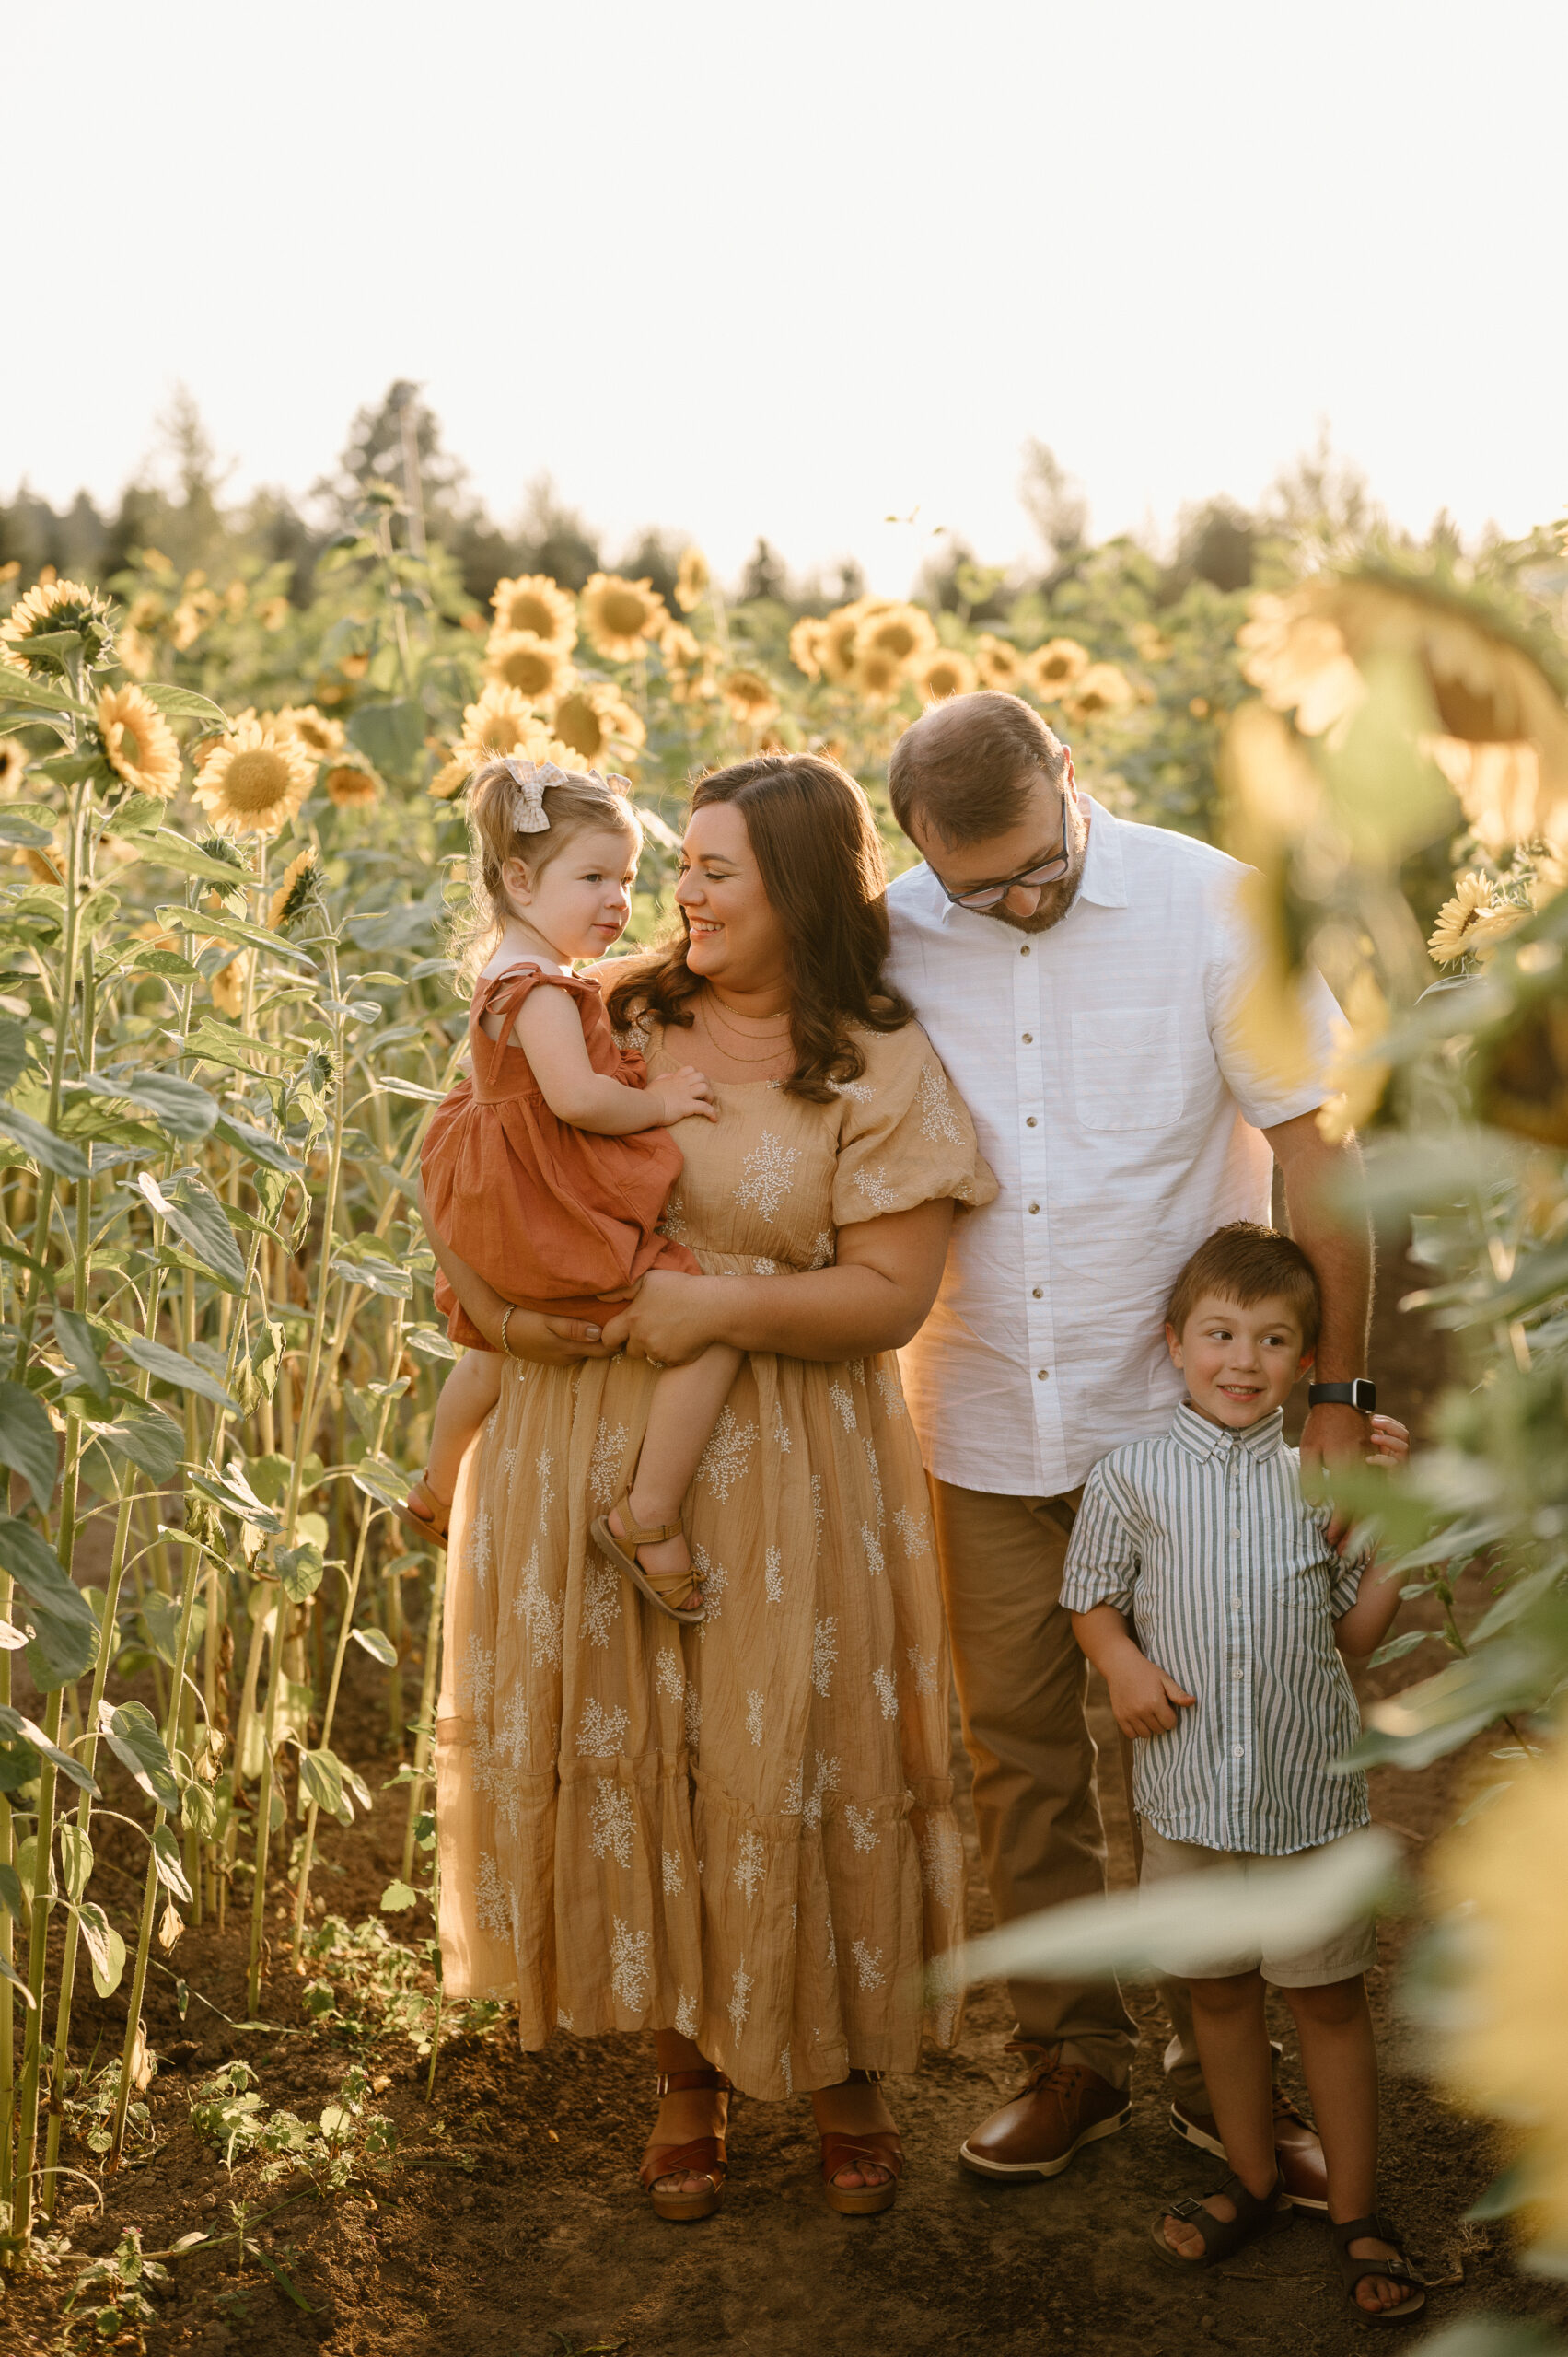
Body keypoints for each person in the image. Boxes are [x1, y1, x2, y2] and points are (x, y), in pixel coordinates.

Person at [422, 751, 996, 2223]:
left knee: (793, 1755)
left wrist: (716, 1312)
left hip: (794, 1461)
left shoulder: (877, 1061)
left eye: (715, 870)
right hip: (585, 1435)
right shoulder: (603, 1008)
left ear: (798, 889)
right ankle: (682, 2074)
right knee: (644, 1751)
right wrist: (519, 1323)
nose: (678, 892)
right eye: (677, 865)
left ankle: (841, 2073)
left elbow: (886, 1301)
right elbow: (470, 1180)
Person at [882, 689, 1388, 2198]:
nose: (1014, 903)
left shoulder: (1209, 906)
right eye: (979, 889)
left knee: (1212, 1748)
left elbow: (1320, 1152)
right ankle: (1073, 2063)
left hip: (1183, 1435)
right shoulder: (896, 929)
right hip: (972, 1410)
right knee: (1020, 1763)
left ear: (1068, 783)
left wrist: (1338, 1401)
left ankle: (1210, 2072)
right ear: (921, 852)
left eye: (1036, 866)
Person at [1063, 1222, 1424, 2322]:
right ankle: (1254, 2177)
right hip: (1186, 1797)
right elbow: (1090, 1596)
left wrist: (1395, 1530)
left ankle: (1357, 2207)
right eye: (1219, 1332)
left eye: (1273, 1340)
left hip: (1306, 1797)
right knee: (1215, 1992)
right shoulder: (1130, 1475)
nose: (1241, 1359)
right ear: (1173, 1342)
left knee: (1323, 1998)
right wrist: (1120, 1662)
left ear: (1306, 1362)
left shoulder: (1316, 1480)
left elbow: (1353, 1638)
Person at [407, 754, 738, 1625]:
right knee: (707, 1325)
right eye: (592, 877)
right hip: (539, 1201)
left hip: (493, 1190)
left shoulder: (516, 971)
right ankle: (648, 1514)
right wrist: (660, 1100)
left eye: (627, 879)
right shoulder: (542, 990)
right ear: (518, 878)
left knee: (485, 1357)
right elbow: (576, 1099)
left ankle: (438, 1484)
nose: (617, 901)